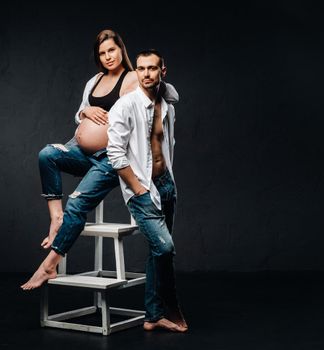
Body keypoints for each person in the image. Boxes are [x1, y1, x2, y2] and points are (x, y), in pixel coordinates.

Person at [21, 32, 178, 292]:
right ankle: (56, 218)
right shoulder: (95, 80)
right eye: (102, 53)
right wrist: (84, 111)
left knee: (78, 202)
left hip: (110, 157)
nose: (108, 56)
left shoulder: (133, 77)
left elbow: (167, 93)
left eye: (112, 50)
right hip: (81, 150)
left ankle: (50, 264)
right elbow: (80, 111)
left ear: (121, 51)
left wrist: (156, 79)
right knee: (47, 154)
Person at [107, 49, 188, 332]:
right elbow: (115, 154)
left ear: (162, 71)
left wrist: (165, 182)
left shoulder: (167, 107)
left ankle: (152, 316)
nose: (146, 74)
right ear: (136, 71)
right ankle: (171, 306)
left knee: (157, 251)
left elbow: (167, 145)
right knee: (165, 247)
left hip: (166, 184)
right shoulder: (125, 106)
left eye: (152, 68)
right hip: (141, 189)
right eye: (141, 69)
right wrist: (138, 188)